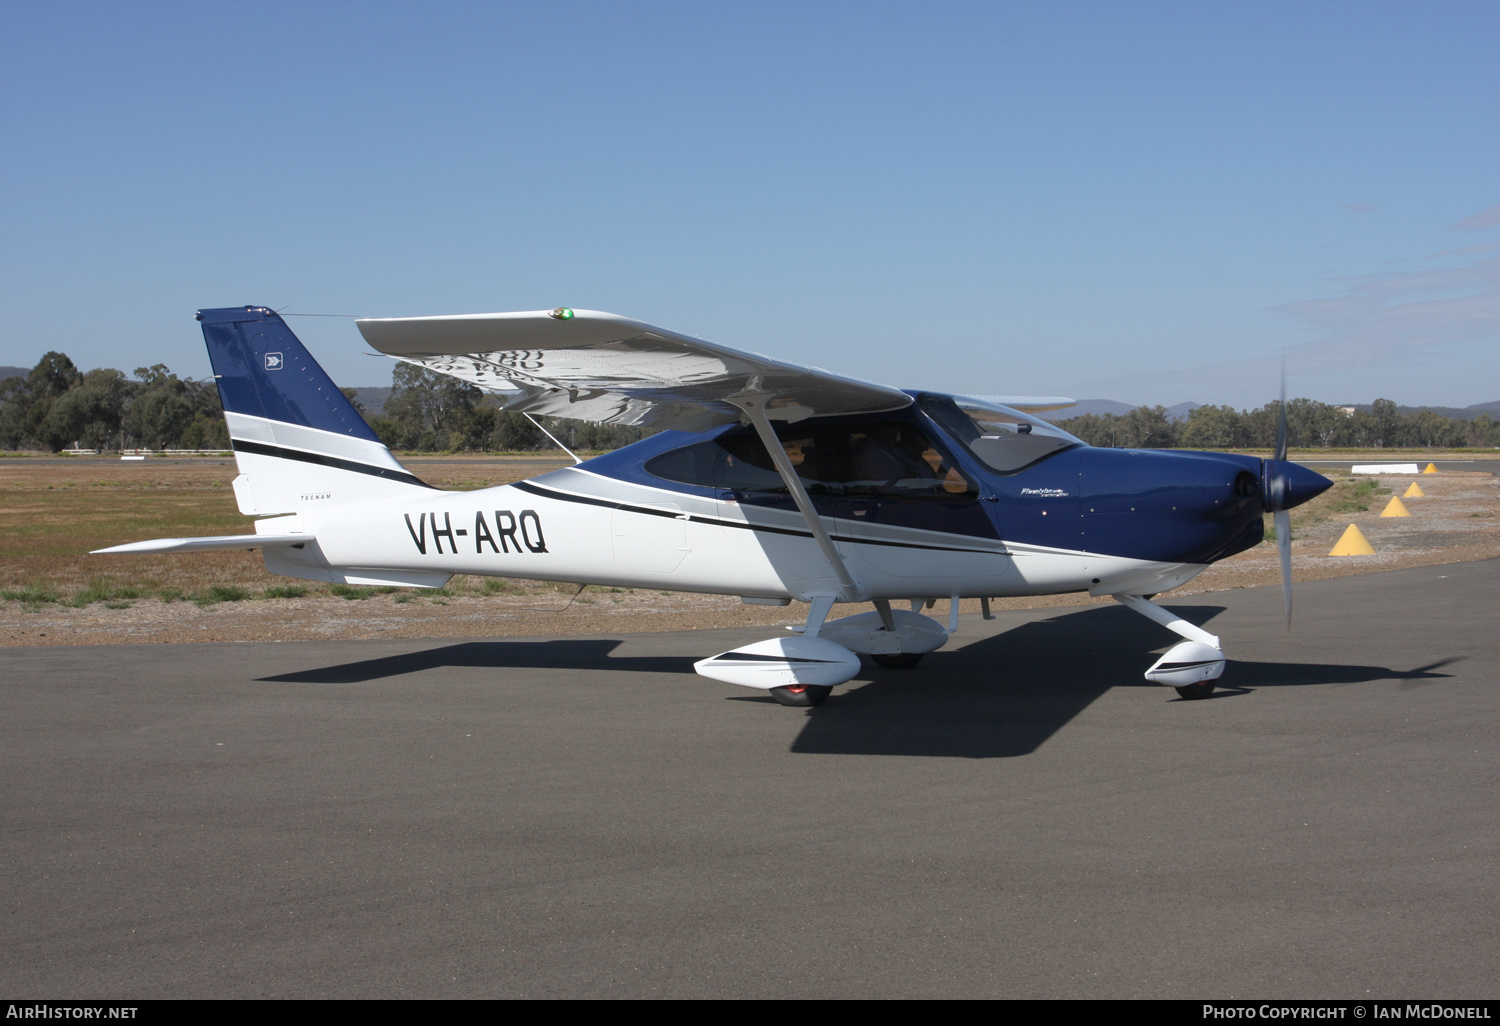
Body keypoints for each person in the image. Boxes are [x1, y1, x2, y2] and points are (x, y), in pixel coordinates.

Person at [852, 424, 940, 492]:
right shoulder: (871, 453)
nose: (894, 432)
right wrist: (914, 478)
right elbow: (887, 488)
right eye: (889, 428)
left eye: (896, 429)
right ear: (877, 429)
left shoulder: (890, 449)